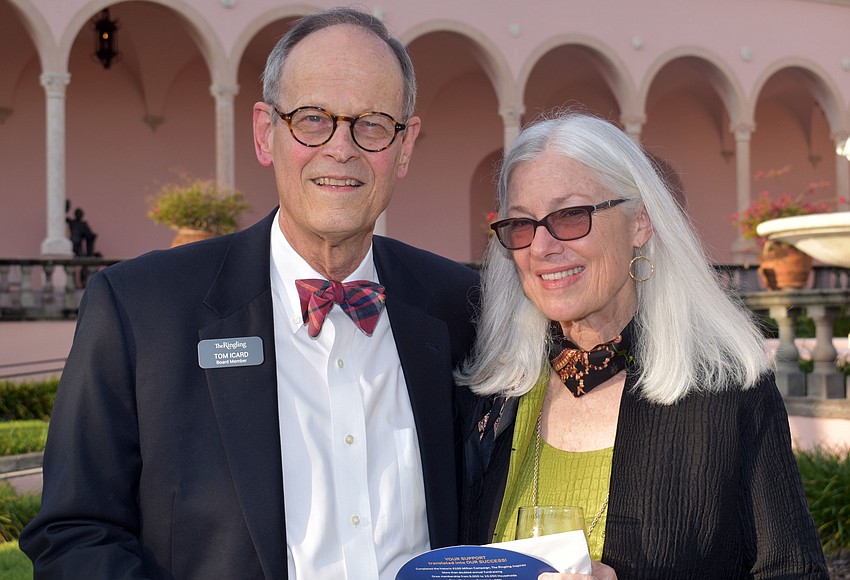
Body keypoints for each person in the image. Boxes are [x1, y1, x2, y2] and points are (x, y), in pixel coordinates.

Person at [21, 8, 479, 579]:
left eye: (373, 123)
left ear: (405, 147)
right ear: (266, 132)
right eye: (312, 119)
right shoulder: (141, 311)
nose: (342, 148)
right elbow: (75, 533)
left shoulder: (461, 308)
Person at [456, 112, 828, 578]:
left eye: (571, 215)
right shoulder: (492, 396)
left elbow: (793, 570)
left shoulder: (729, 393)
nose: (542, 247)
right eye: (523, 224)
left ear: (640, 223)